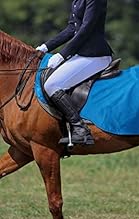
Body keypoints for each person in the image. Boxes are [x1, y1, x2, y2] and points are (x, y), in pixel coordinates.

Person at [36, 0, 113, 145]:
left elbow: (86, 28)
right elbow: (72, 28)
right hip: (82, 54)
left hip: (95, 55)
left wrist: (62, 55)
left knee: (52, 85)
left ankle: (80, 129)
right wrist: (46, 47)